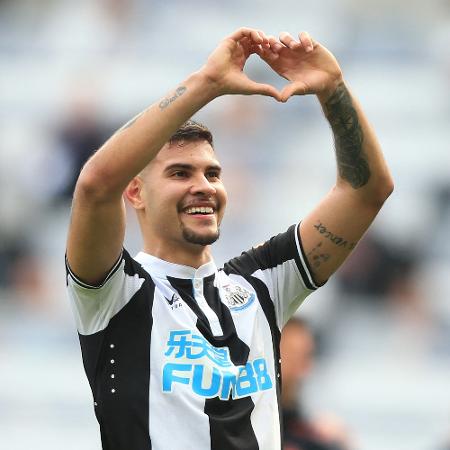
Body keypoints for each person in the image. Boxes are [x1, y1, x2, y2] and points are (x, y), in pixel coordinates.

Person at [65, 27, 393, 450]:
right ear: (135, 192)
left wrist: (333, 90)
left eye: (212, 173)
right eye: (180, 173)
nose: (204, 186)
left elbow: (367, 190)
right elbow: (94, 186)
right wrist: (206, 84)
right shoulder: (114, 293)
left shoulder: (261, 286)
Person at [281, 317, 352, 450]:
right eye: (293, 357)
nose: (304, 370)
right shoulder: (243, 427)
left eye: (308, 356)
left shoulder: (315, 434)